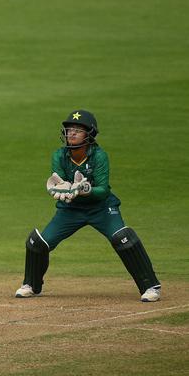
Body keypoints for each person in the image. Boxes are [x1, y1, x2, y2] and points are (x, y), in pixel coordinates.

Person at [15, 110, 161, 302]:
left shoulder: (99, 156)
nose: (72, 134)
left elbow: (104, 190)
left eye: (77, 130)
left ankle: (151, 286)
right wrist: (64, 189)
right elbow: (59, 182)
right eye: (69, 130)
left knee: (124, 239)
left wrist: (86, 189)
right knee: (37, 243)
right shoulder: (59, 155)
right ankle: (32, 285)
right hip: (71, 210)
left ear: (89, 134)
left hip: (101, 208)